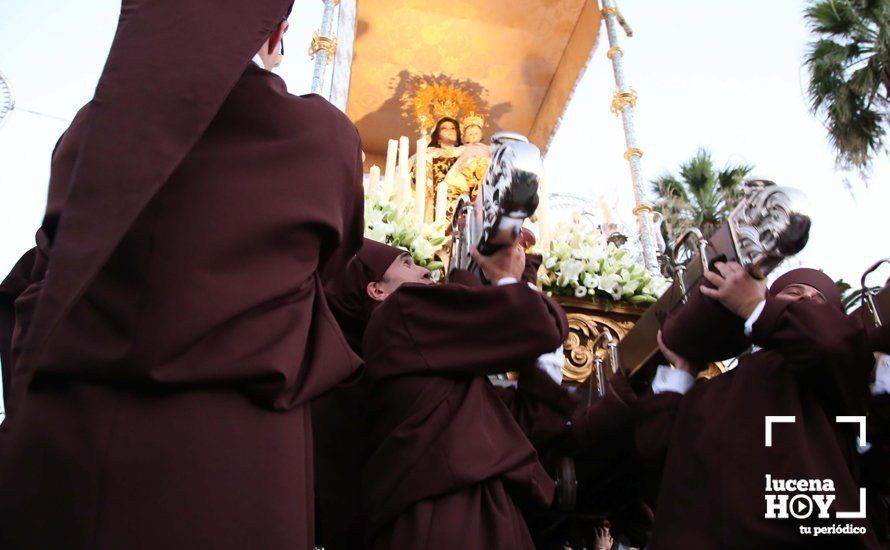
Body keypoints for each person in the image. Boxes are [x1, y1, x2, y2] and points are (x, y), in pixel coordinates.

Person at [0, 1, 365, 548]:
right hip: (225, 462)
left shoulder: (89, 128)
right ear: (277, 35)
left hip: (63, 444)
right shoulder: (321, 136)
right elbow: (337, 268)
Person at [357, 241, 572, 548]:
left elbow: (532, 417)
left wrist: (520, 282)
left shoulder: (432, 362)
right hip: (450, 514)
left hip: (478, 509)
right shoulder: (395, 313)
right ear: (377, 289)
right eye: (407, 264)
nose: (427, 270)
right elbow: (537, 325)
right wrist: (506, 279)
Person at [648, 265, 880, 548]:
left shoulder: (838, 376)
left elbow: (830, 343)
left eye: (818, 300)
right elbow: (658, 454)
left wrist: (755, 305)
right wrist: (682, 372)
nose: (804, 301)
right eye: (792, 293)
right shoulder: (714, 390)